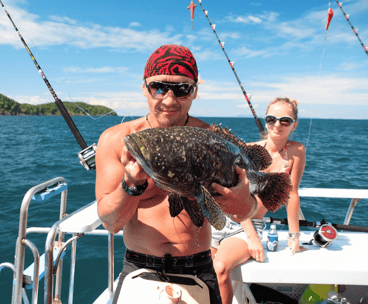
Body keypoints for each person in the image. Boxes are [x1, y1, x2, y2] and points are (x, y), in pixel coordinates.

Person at [95, 44, 258, 304]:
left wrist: (245, 204)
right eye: (158, 87)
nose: (169, 100)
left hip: (200, 268)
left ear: (194, 92)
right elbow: (111, 223)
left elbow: (243, 212)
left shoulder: (211, 140)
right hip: (138, 268)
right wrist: (131, 184)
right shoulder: (116, 140)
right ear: (144, 87)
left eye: (182, 89)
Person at [211, 97, 306, 304]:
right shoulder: (248, 148)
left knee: (220, 268)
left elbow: (292, 194)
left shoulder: (296, 151)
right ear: (266, 121)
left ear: (294, 125)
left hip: (245, 227)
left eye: (285, 120)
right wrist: (252, 237)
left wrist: (294, 236)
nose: (277, 125)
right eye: (272, 119)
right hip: (219, 220)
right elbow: (237, 194)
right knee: (201, 272)